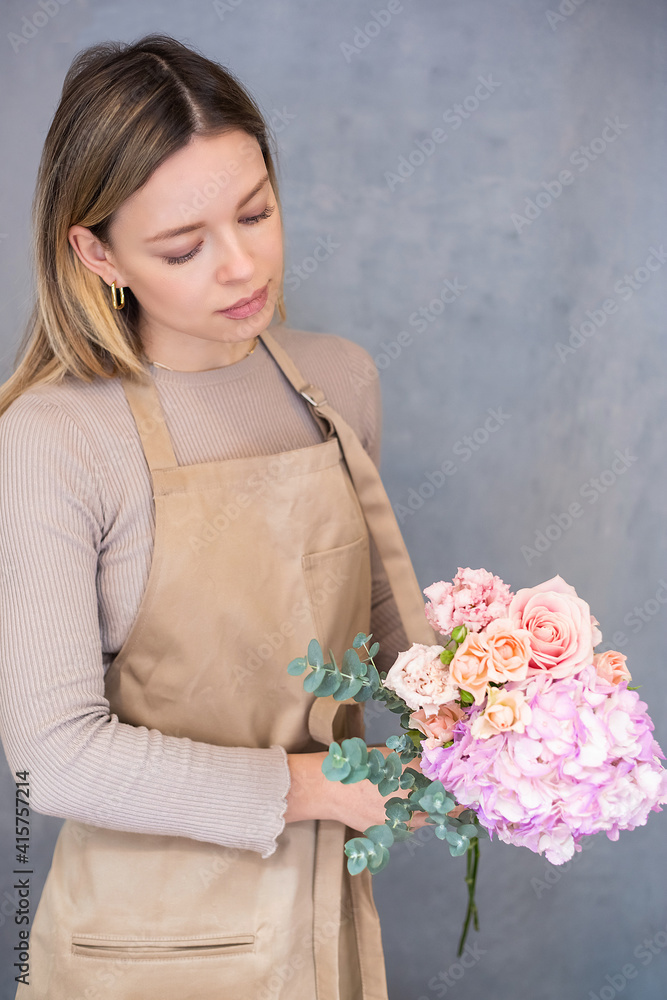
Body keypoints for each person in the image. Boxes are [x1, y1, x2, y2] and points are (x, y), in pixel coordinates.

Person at [0, 33, 438, 999]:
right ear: (96, 252)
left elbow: (376, 617)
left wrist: (505, 711)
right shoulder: (52, 440)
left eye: (256, 213)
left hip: (323, 914)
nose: (241, 267)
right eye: (183, 247)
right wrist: (314, 787)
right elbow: (51, 758)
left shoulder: (336, 380)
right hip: (142, 941)